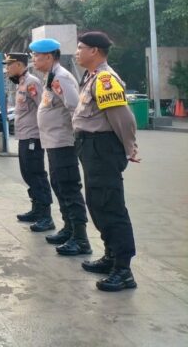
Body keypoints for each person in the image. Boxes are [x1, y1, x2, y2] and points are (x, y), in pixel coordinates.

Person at [73, 31, 138, 292]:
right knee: (97, 204)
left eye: (81, 48)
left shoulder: (106, 79)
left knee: (110, 206)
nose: (77, 52)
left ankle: (123, 270)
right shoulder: (91, 77)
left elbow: (123, 118)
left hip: (103, 149)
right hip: (91, 148)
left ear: (95, 51)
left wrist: (130, 147)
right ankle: (111, 256)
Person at [29, 38, 91, 256]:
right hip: (53, 143)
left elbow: (75, 108)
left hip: (63, 143)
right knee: (59, 185)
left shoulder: (61, 77)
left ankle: (81, 239)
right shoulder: (51, 76)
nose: (33, 59)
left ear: (48, 56)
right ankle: (69, 229)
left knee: (69, 188)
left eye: (36, 55)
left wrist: (76, 138)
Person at [4, 53, 54, 232]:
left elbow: (43, 107)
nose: (7, 68)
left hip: (34, 136)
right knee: (27, 173)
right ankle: (36, 209)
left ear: (19, 64)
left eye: (9, 65)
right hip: (24, 136)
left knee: (36, 174)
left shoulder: (32, 82)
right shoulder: (22, 83)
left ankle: (46, 216)